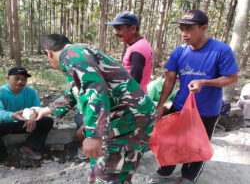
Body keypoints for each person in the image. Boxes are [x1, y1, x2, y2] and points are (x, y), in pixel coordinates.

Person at [33, 34, 157, 183]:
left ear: (49, 53)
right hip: (120, 119)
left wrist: (94, 135)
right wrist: (45, 110)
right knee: (99, 170)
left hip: (129, 121)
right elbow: (77, 91)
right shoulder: (78, 54)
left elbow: (95, 90)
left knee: (109, 176)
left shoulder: (72, 55)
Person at [147, 10, 238, 184]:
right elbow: (169, 79)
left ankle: (188, 177)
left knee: (198, 145)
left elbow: (232, 79)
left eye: (189, 29)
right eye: (181, 29)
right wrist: (160, 105)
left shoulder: (221, 50)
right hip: (180, 106)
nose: (183, 33)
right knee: (171, 141)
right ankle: (165, 172)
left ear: (203, 28)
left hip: (207, 111)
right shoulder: (180, 51)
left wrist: (204, 82)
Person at [0, 67, 54, 161]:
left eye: (24, 79)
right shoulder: (1, 92)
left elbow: (37, 109)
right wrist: (12, 115)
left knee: (47, 121)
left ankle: (30, 147)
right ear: (8, 78)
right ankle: (3, 156)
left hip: (25, 123)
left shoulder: (31, 91)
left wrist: (33, 117)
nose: (20, 81)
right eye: (16, 78)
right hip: (4, 123)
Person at [107, 11, 153, 94]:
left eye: (119, 29)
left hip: (133, 99)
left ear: (133, 29)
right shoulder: (140, 44)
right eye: (115, 29)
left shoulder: (138, 49)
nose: (116, 32)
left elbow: (134, 83)